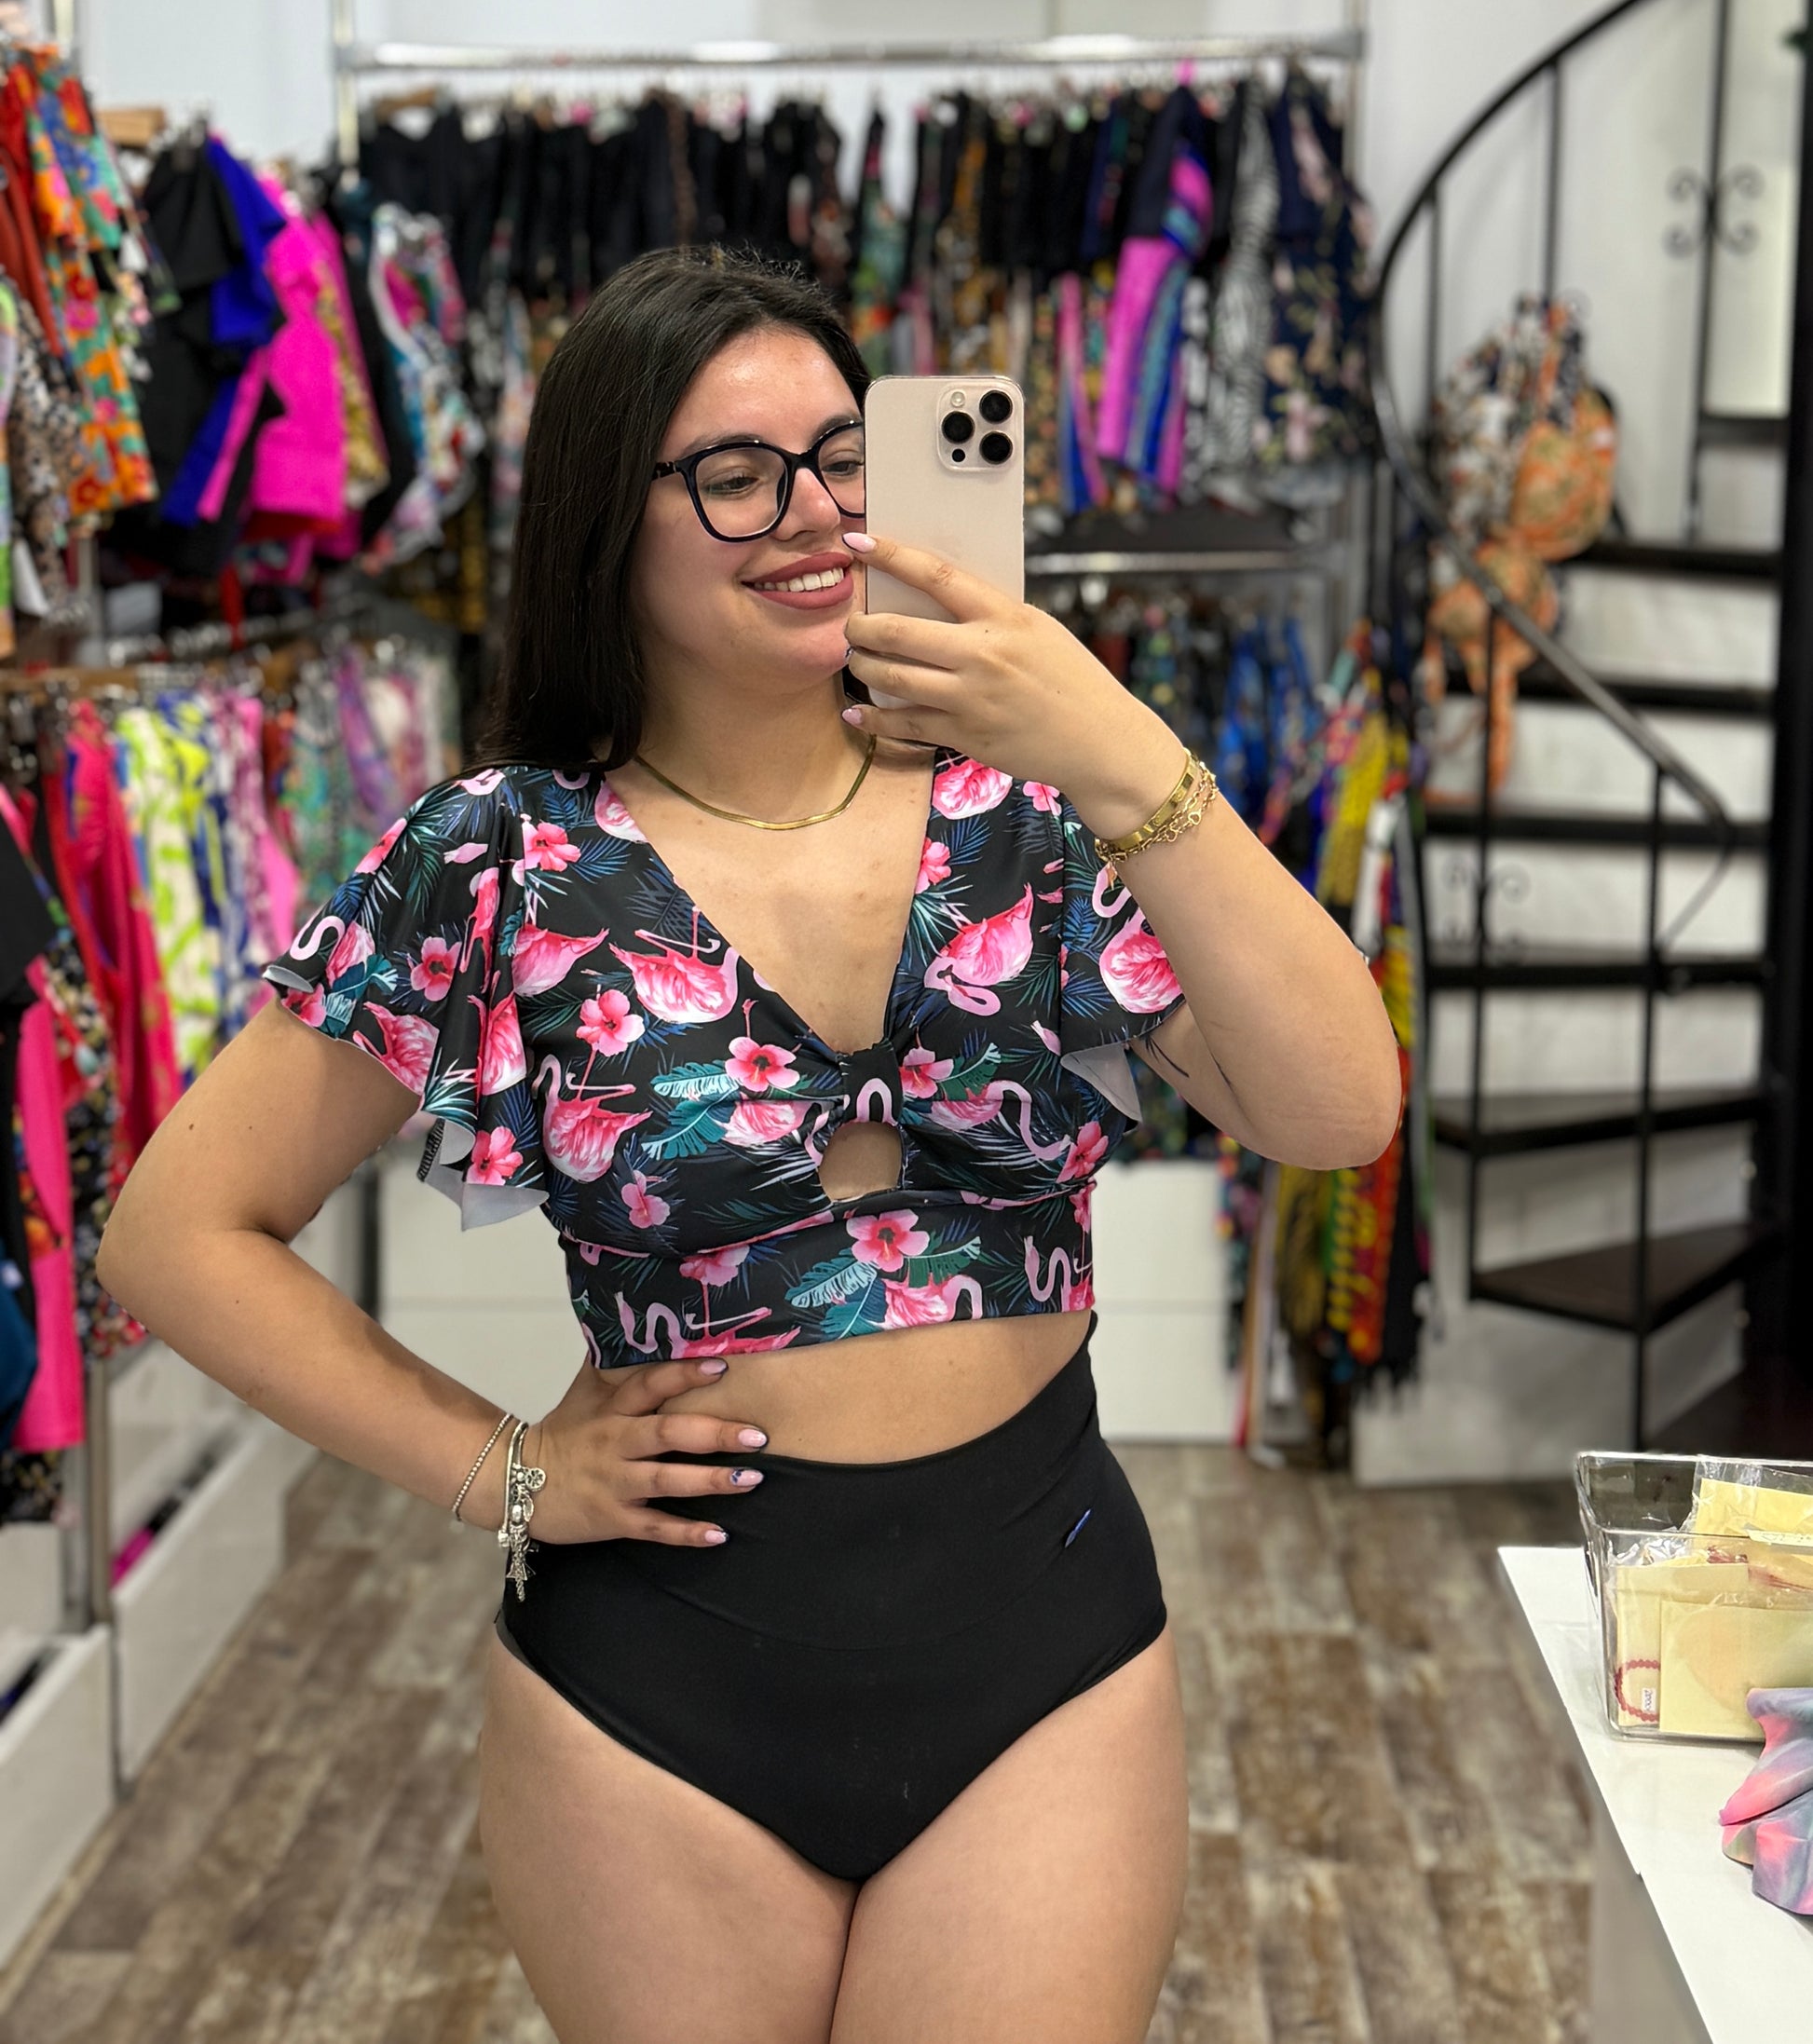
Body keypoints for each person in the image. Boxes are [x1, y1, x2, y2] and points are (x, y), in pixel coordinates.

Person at [99, 249, 1401, 2044]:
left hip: (1041, 1639)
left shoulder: (1035, 815)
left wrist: (1107, 739)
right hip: (660, 1682)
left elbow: (1339, 1110)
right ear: (602, 517)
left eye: (844, 456)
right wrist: (498, 1470)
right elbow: (176, 1233)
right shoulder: (497, 858)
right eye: (734, 471)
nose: (813, 511)